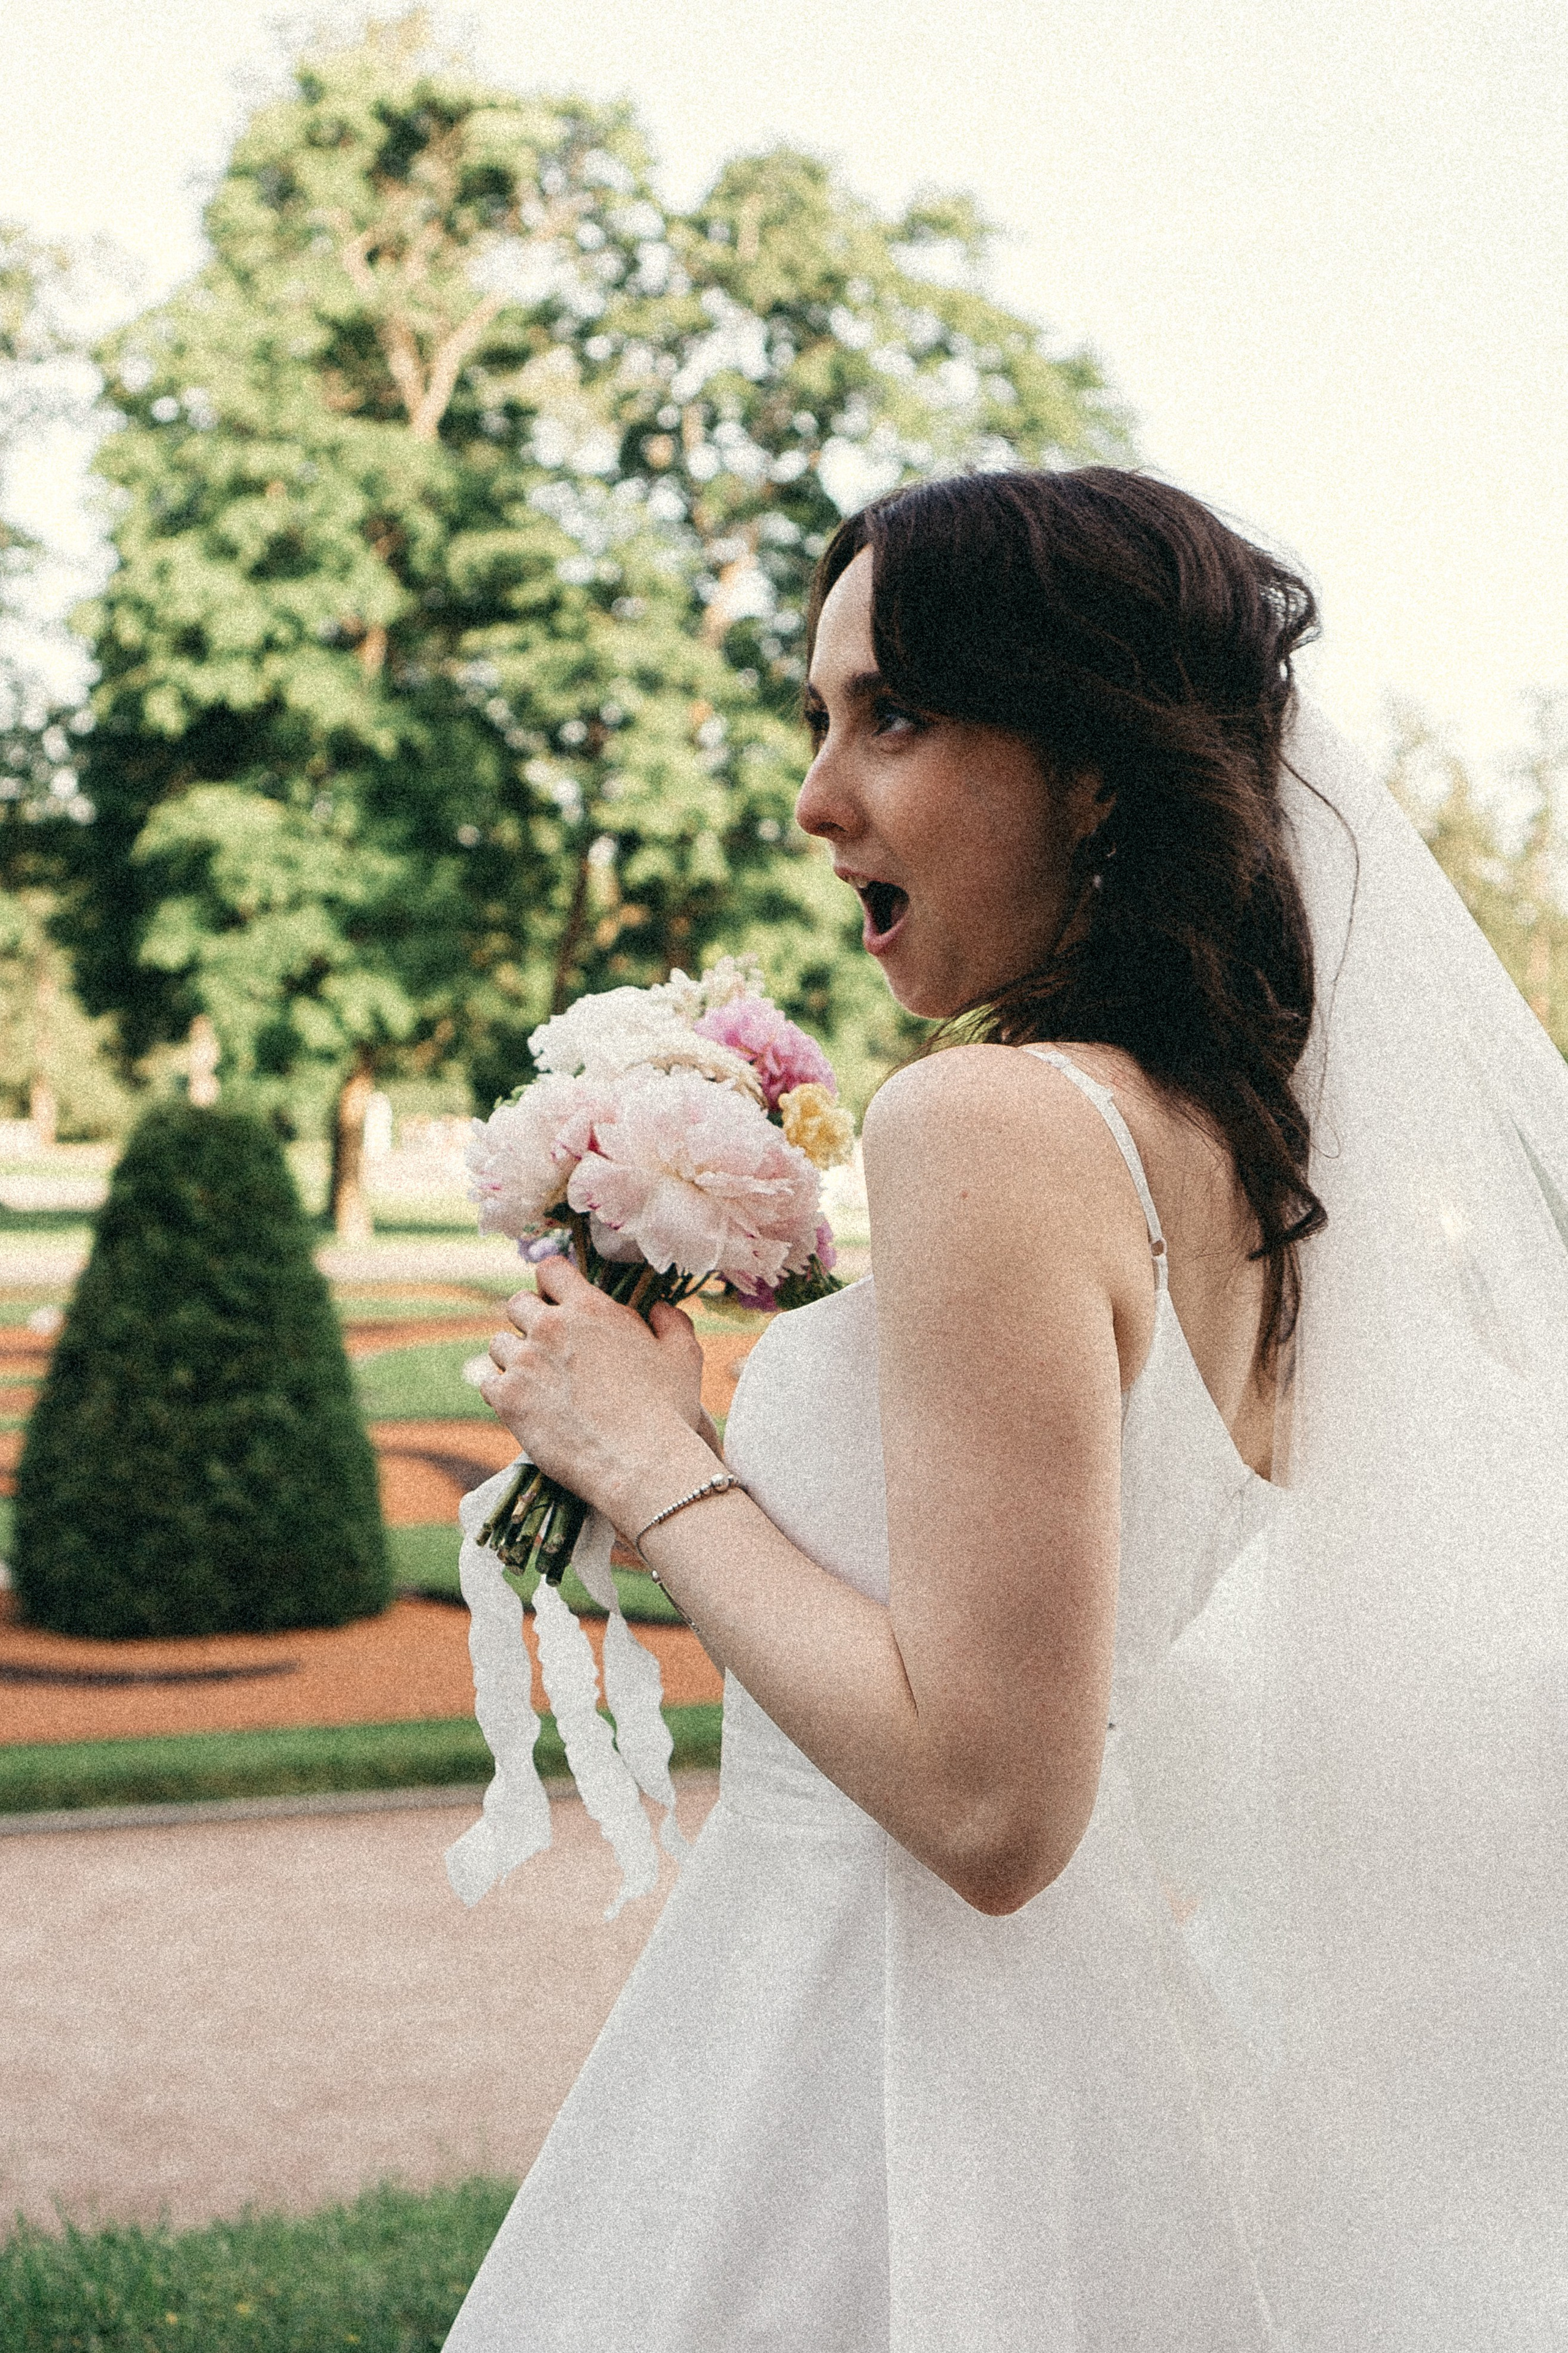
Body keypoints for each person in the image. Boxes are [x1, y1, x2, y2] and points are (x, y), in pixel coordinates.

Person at [445, 469, 1568, 2351]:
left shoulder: (988, 1124)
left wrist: (647, 1459)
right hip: (1098, 2048)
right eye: (819, 719)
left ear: (1099, 763)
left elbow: (988, 1802)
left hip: (878, 2046)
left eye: (896, 714)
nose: (818, 797)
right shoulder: (1239, 1160)